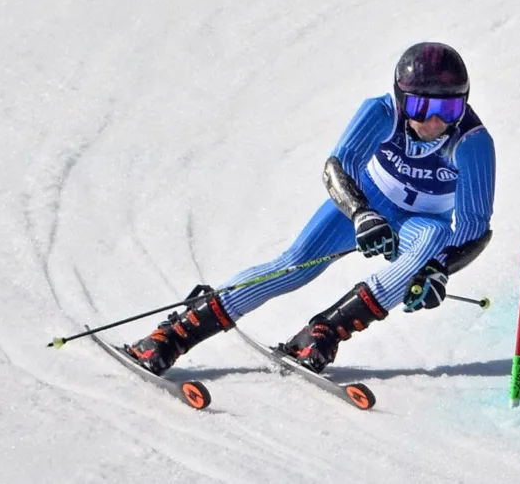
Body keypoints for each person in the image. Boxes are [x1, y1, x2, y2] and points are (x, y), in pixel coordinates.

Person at [124, 42, 496, 375]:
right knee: (295, 267)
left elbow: (474, 226)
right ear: (401, 99)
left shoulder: (471, 142)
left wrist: (441, 270)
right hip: (369, 203)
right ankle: (176, 333)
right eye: (421, 106)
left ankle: (323, 333)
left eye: (449, 108)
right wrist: (360, 212)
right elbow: (339, 166)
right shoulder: (383, 113)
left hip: (418, 224)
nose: (435, 121)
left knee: (434, 237)